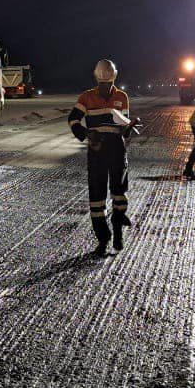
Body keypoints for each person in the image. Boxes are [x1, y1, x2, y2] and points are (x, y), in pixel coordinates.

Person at [68, 59, 139, 255]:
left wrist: (129, 129)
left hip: (117, 148)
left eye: (108, 84)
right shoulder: (86, 97)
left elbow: (124, 127)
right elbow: (73, 119)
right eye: (102, 84)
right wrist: (86, 134)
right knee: (97, 199)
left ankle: (117, 233)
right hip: (97, 150)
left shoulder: (122, 97)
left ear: (113, 79)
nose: (105, 87)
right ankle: (103, 239)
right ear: (97, 80)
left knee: (119, 193)